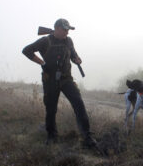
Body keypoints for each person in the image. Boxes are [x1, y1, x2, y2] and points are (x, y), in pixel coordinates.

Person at [22, 18, 96, 148]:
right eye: (64, 30)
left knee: (78, 104)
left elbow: (73, 55)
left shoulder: (68, 41)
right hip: (50, 80)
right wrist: (42, 63)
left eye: (68, 30)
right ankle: (52, 136)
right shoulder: (45, 41)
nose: (67, 33)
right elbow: (26, 50)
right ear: (56, 29)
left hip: (66, 79)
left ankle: (87, 137)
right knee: (51, 109)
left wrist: (77, 59)